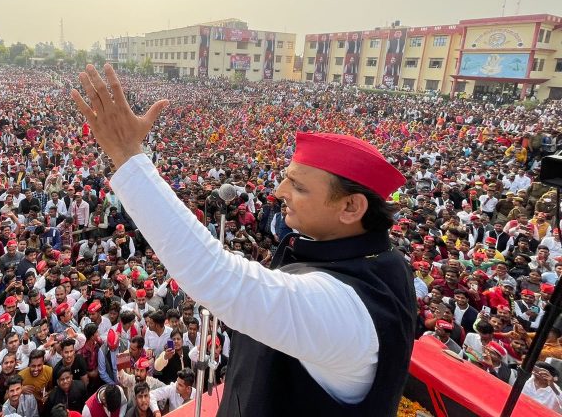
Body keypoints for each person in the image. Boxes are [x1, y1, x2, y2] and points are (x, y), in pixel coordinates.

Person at [72, 64, 416, 416]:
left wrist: (127, 156)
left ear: (350, 206)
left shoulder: (345, 308)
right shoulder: (377, 263)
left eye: (297, 185)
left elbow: (218, 277)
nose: (279, 191)